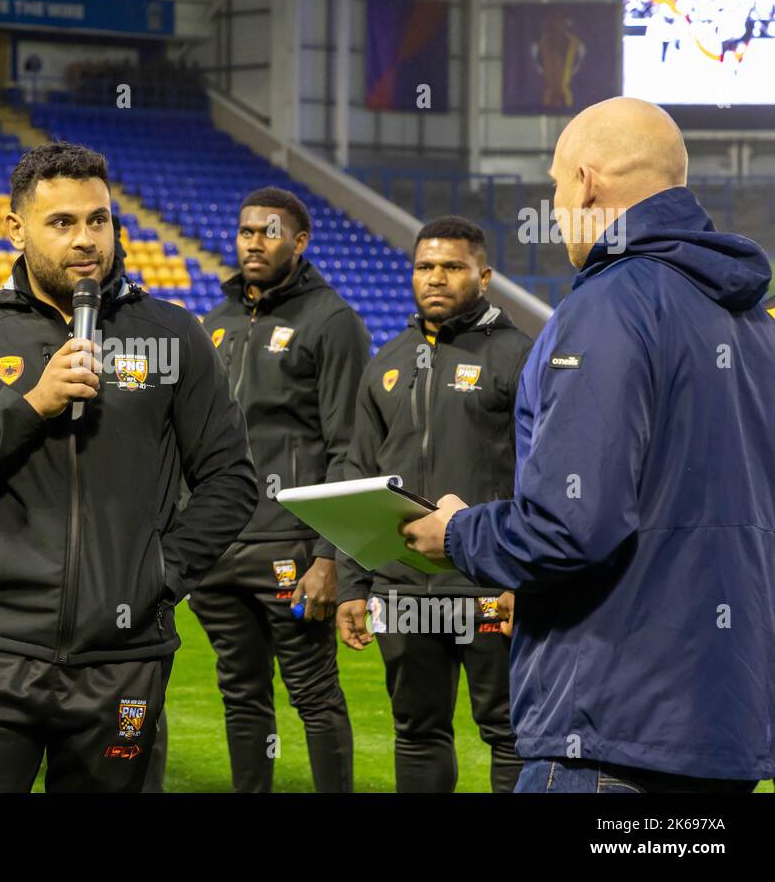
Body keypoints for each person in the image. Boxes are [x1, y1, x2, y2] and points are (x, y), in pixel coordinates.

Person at [401, 97, 775, 792]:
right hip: (725, 729)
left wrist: (460, 534)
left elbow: (571, 527)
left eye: (555, 183)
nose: (555, 202)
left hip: (609, 729)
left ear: (587, 180)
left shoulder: (608, 306)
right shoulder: (752, 322)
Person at [0, 141, 258, 792]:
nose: (86, 238)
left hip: (123, 659)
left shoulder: (174, 334)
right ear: (16, 229)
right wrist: (31, 403)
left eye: (99, 219)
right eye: (62, 223)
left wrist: (159, 574)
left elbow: (231, 480)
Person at [336, 215, 532, 793]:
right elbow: (357, 472)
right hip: (400, 586)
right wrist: (353, 583)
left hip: (487, 582)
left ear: (484, 275)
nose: (436, 278)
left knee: (512, 733)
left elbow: (541, 477)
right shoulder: (387, 362)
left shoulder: (518, 356)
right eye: (425, 266)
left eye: (452, 266)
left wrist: (524, 576)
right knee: (417, 732)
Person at [194, 186, 369, 793]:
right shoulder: (213, 323)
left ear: (298, 242)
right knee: (240, 694)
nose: (254, 242)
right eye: (246, 231)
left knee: (314, 694)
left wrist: (329, 558)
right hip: (218, 551)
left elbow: (351, 448)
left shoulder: (332, 321)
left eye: (269, 232)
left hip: (291, 548)